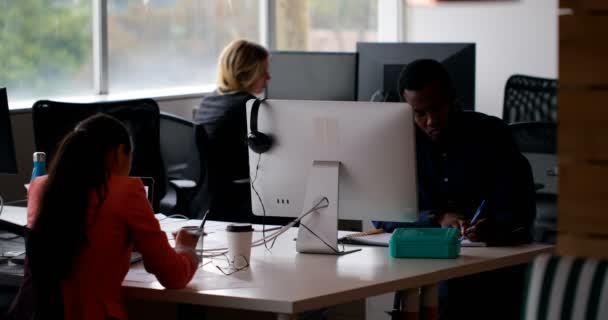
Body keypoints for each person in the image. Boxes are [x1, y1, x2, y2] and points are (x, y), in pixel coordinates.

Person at [375, 59, 536, 320]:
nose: (430, 121)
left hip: (486, 266)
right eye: (419, 113)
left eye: (436, 108)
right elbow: (382, 213)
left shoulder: (491, 134)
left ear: (452, 98)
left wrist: (491, 228)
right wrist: (437, 217)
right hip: (421, 263)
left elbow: (521, 210)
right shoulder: (400, 142)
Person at [8, 114, 199, 320]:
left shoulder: (40, 187)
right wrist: (186, 248)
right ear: (119, 152)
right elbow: (173, 276)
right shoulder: (126, 191)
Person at [194, 39, 271, 223]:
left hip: (210, 200)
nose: (268, 78)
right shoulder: (247, 107)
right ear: (246, 73)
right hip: (240, 202)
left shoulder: (208, 101)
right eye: (263, 72)